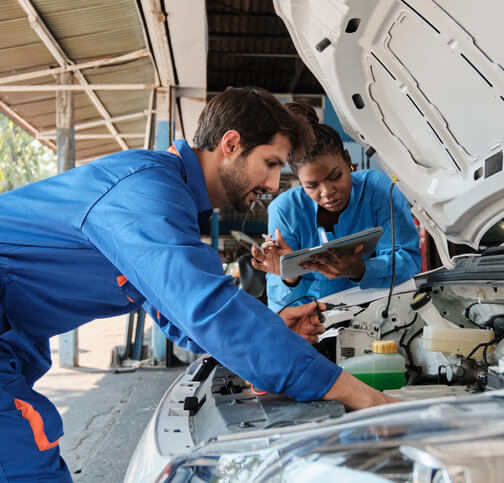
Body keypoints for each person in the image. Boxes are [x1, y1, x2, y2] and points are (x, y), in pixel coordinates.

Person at [0, 87, 395, 482]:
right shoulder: (145, 192)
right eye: (270, 163)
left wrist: (275, 331)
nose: (274, 184)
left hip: (12, 337)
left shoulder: (169, 200)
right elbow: (206, 308)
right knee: (27, 468)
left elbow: (179, 314)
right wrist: (353, 392)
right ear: (231, 143)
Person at [250, 102, 421, 312]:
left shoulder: (377, 189)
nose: (327, 192)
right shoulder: (284, 210)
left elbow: (409, 259)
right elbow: (282, 308)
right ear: (300, 181)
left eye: (335, 176)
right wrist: (290, 277)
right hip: (315, 322)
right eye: (311, 186)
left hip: (376, 311)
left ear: (348, 161)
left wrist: (361, 270)